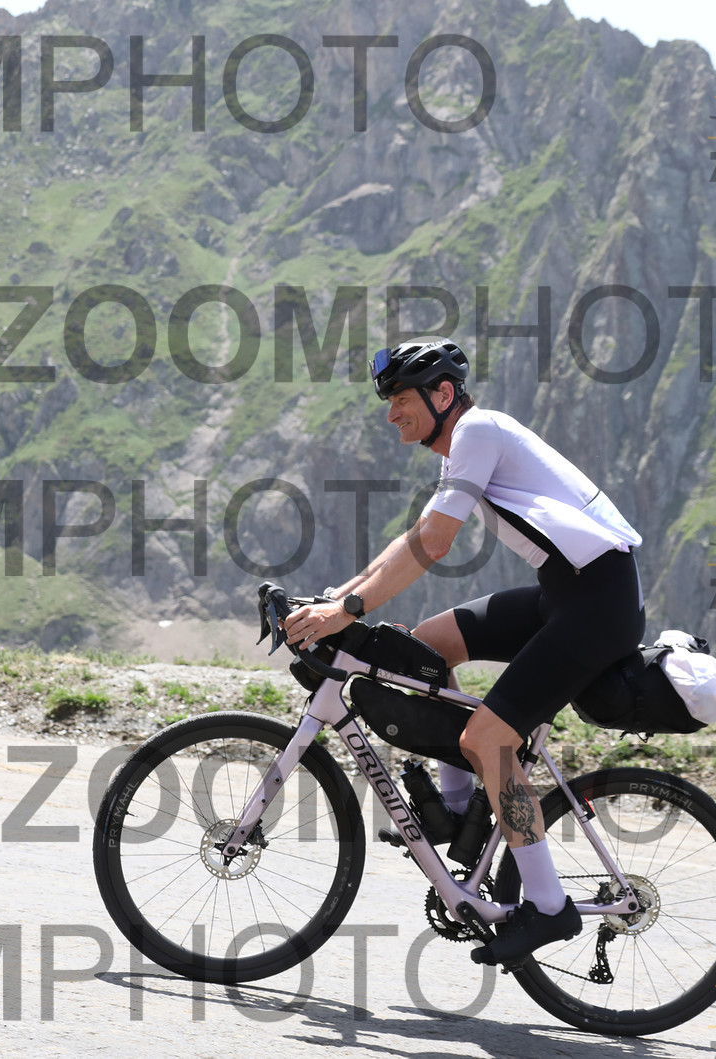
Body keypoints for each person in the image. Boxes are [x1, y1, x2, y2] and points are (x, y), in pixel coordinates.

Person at [280, 336, 645, 965]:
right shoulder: (467, 442)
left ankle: (548, 906)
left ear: (443, 393)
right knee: (428, 645)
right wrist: (339, 595)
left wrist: (348, 612)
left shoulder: (478, 431)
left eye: (400, 399)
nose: (391, 413)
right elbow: (418, 534)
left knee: (489, 741)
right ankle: (453, 811)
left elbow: (436, 546)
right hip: (566, 593)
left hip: (597, 606)